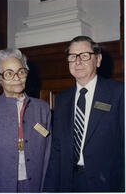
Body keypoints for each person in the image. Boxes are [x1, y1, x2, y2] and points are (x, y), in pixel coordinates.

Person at [43, 36, 124, 192]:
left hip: (106, 184)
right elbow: (57, 149)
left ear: (98, 59)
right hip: (68, 183)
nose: (78, 62)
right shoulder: (61, 99)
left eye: (84, 55)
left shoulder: (119, 93)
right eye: (72, 57)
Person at [0, 49, 52, 193]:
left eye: (21, 71)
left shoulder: (42, 109)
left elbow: (48, 155)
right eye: (8, 73)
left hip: (34, 186)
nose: (17, 78)